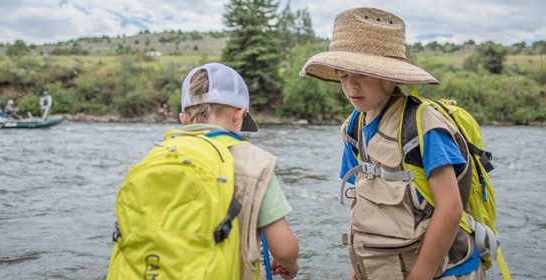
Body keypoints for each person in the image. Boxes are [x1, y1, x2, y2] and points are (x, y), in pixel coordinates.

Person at [299, 7, 484, 280]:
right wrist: (357, 270)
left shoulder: (422, 126)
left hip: (445, 272)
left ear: (389, 75)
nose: (352, 86)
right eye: (343, 75)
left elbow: (451, 208)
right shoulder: (353, 128)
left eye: (362, 73)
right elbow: (362, 206)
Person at [180, 63, 300, 279]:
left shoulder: (161, 157)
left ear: (184, 119)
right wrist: (290, 264)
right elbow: (284, 249)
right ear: (239, 116)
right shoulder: (254, 162)